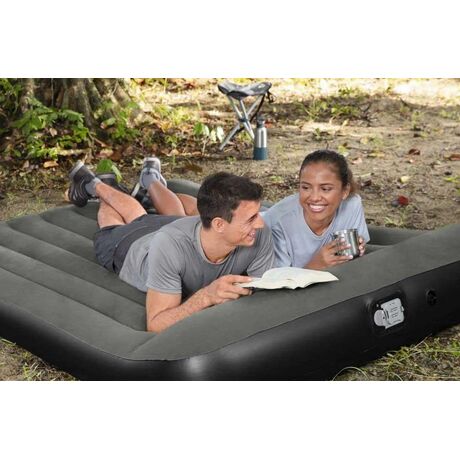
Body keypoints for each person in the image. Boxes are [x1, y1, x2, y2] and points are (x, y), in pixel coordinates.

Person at [68, 160, 274, 333]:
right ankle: (96, 185)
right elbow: (156, 323)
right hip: (131, 247)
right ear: (219, 224)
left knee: (140, 217)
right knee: (112, 225)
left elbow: (264, 294)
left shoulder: (258, 235)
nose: (260, 223)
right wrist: (206, 296)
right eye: (251, 218)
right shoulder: (170, 247)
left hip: (172, 227)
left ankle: (100, 182)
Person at [262, 149, 369, 269]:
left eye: (325, 189)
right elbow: (277, 279)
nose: (314, 197)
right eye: (306, 187)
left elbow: (351, 263)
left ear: (345, 191)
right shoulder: (277, 223)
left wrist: (357, 250)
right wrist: (316, 265)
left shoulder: (352, 205)